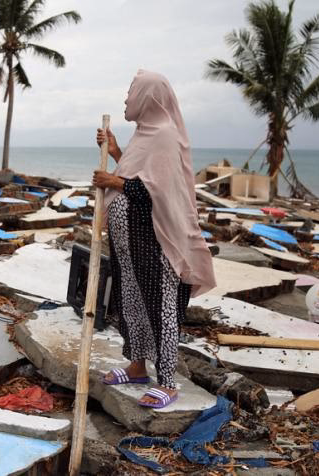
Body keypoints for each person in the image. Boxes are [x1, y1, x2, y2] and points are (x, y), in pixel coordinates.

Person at [92, 70, 216, 408]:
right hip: (128, 241)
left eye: (131, 91)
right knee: (129, 300)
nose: (126, 99)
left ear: (149, 96)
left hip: (154, 240)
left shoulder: (164, 135)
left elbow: (157, 190)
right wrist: (117, 153)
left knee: (160, 306)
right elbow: (140, 173)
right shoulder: (145, 135)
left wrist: (112, 182)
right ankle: (136, 366)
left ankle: (168, 381)